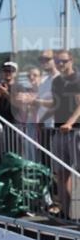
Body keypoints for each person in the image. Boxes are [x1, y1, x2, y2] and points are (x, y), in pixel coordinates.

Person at [50, 50, 80, 216]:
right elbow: (55, 105)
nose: (60, 64)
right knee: (61, 174)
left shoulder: (77, 79)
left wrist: (70, 122)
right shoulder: (57, 81)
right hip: (59, 131)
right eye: (58, 62)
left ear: (71, 61)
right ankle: (64, 212)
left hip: (75, 131)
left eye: (63, 61)